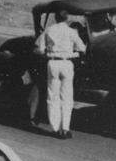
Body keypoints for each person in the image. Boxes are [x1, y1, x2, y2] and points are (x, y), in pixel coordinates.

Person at [34, 9, 87, 139]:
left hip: (53, 63)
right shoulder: (71, 32)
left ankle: (55, 127)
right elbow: (82, 48)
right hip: (67, 63)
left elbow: (40, 49)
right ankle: (66, 127)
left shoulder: (50, 30)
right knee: (67, 97)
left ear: (56, 18)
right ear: (66, 18)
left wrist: (47, 52)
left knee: (53, 96)